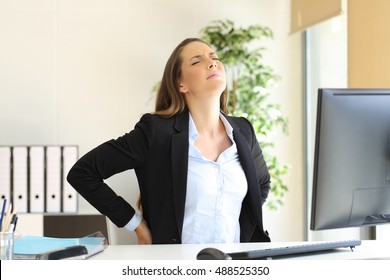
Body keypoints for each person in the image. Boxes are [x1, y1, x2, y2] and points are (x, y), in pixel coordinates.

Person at [67, 38, 271, 245]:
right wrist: (137, 225)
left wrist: (244, 233)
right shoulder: (156, 132)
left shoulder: (244, 131)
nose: (212, 63)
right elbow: (83, 173)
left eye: (214, 57)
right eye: (196, 61)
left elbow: (261, 184)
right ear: (180, 84)